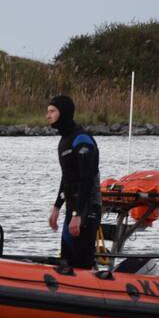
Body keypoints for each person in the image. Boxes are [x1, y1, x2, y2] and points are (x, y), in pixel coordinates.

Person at [46, 95, 101, 269]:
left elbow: (87, 179)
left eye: (52, 111)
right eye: (48, 112)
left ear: (64, 112)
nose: (48, 116)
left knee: (82, 261)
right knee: (67, 258)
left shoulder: (81, 139)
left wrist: (78, 215)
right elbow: (67, 177)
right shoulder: (64, 140)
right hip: (73, 206)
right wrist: (57, 207)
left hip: (87, 207)